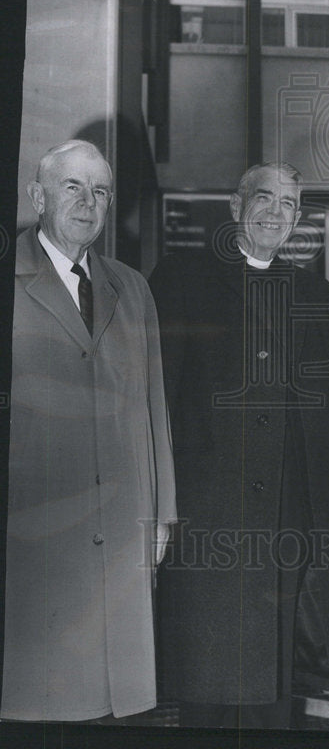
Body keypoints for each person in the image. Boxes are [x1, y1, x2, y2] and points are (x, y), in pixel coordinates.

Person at [149, 162, 329, 729]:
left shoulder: (315, 291)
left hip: (283, 517)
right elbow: (156, 395)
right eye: (265, 199)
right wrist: (157, 505)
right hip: (204, 510)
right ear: (236, 207)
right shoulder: (181, 276)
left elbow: (321, 408)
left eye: (288, 205)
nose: (275, 213)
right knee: (207, 683)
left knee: (273, 686)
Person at [1, 139, 176, 722]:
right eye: (72, 186)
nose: (88, 201)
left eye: (99, 190)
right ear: (37, 197)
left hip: (122, 527)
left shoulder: (134, 288)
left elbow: (154, 409)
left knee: (112, 705)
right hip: (35, 530)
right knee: (36, 700)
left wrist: (162, 514)